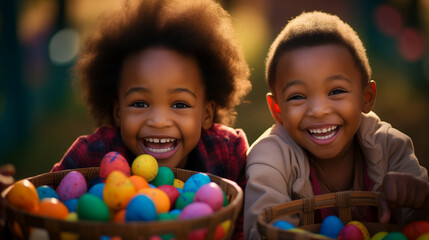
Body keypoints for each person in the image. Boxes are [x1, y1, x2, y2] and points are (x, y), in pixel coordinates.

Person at [50, 0, 251, 238]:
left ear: (206, 114)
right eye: (140, 104)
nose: (158, 120)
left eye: (180, 104)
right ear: (117, 112)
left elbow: (244, 229)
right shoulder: (91, 155)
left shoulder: (226, 154)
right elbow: (46, 205)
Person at [243, 11, 429, 239]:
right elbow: (262, 230)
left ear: (367, 97)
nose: (319, 110)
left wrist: (419, 201)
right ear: (277, 110)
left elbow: (419, 227)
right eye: (297, 96)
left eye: (336, 91)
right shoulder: (270, 157)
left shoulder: (391, 148)